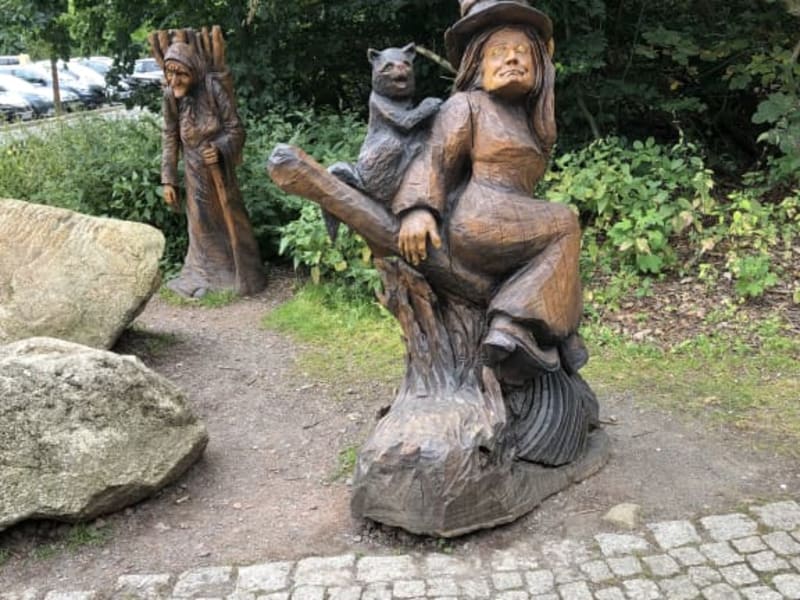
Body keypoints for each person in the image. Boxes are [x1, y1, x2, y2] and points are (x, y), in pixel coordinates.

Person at [393, 0, 587, 384]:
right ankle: (514, 324)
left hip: (514, 218)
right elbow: (435, 158)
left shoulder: (531, 120)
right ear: (476, 63)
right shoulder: (467, 106)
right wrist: (418, 209)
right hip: (480, 219)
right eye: (498, 52)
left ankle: (541, 335)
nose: (512, 59)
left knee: (560, 234)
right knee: (565, 223)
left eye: (522, 52)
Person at [161, 42, 265, 298]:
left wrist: (220, 147)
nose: (175, 80)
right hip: (194, 174)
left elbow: (236, 129)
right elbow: (169, 136)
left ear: (194, 71)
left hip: (220, 174)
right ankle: (203, 277)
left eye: (181, 74)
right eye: (170, 73)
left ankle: (239, 275)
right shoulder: (171, 97)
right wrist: (169, 179)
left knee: (229, 221)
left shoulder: (212, 88)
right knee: (200, 226)